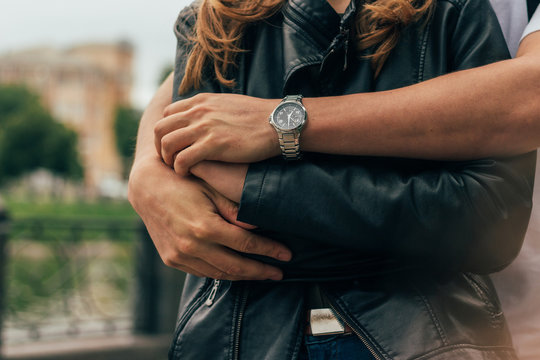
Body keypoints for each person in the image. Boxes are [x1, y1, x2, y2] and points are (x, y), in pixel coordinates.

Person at [129, 0, 535, 359]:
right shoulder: (211, 23)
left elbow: (491, 218)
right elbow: (197, 193)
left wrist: (255, 184)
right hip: (240, 337)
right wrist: (146, 171)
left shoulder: (452, 10)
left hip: (424, 338)